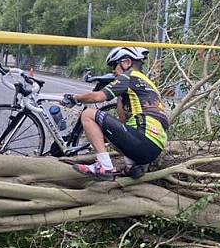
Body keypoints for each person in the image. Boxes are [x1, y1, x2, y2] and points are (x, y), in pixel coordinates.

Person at [62, 47, 169, 181]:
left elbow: (97, 97)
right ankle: (132, 167)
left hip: (142, 141)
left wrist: (75, 98)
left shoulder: (129, 77)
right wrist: (120, 96)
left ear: (126, 62)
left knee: (88, 114)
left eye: (114, 65)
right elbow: (124, 119)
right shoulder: (148, 83)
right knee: (115, 132)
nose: (113, 71)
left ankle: (104, 166)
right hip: (155, 148)